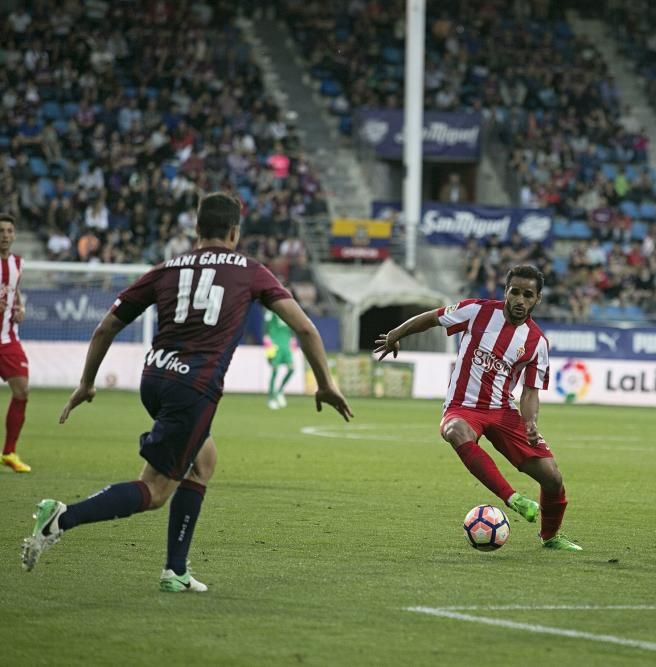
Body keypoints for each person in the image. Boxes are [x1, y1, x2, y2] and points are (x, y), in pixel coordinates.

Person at [21, 192, 353, 591]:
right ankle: (62, 517)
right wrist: (326, 384)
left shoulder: (166, 268)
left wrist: (87, 382)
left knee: (204, 460)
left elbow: (106, 327)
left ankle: (175, 571)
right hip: (192, 388)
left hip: (154, 379)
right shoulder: (250, 270)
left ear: (196, 230)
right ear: (235, 231)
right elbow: (306, 328)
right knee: (156, 489)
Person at [374, 264, 581, 551]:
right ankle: (513, 499)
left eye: (528, 295)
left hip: (503, 411)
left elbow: (531, 392)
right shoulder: (476, 311)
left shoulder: (537, 343)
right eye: (515, 292)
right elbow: (433, 318)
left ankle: (550, 536)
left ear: (538, 299)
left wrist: (531, 422)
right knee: (454, 430)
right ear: (506, 292)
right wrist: (397, 332)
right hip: (463, 407)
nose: (520, 300)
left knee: (552, 477)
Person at [0, 212, 31, 473]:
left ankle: (9, 452)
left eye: (9, 231)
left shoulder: (17, 264)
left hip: (8, 339)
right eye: (1, 231)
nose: (5, 236)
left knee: (22, 391)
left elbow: (15, 292)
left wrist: (20, 308)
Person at [264, 306, 296, 409]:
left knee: (292, 369)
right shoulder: (271, 312)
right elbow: (265, 329)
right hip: (275, 345)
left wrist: (293, 340)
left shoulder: (288, 313)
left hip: (286, 345)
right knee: (275, 370)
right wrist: (267, 346)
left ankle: (280, 391)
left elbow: (292, 328)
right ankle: (271, 398)